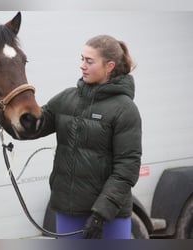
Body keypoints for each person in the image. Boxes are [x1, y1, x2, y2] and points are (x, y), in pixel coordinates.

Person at [35, 34, 142, 239]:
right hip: (68, 212)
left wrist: (100, 214)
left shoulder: (125, 109)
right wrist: (5, 109)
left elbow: (127, 168)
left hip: (109, 217)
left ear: (109, 66)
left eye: (89, 61)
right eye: (81, 59)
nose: (82, 65)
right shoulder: (67, 98)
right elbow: (33, 126)